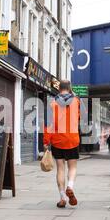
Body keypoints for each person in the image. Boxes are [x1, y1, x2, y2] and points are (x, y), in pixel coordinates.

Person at [44, 80, 82, 208]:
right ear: (69, 88)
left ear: (59, 89)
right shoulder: (76, 101)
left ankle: (62, 198)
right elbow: (79, 118)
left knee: (60, 168)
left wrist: (46, 141)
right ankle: (70, 186)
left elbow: (49, 124)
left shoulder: (52, 103)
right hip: (72, 138)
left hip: (57, 140)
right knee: (72, 167)